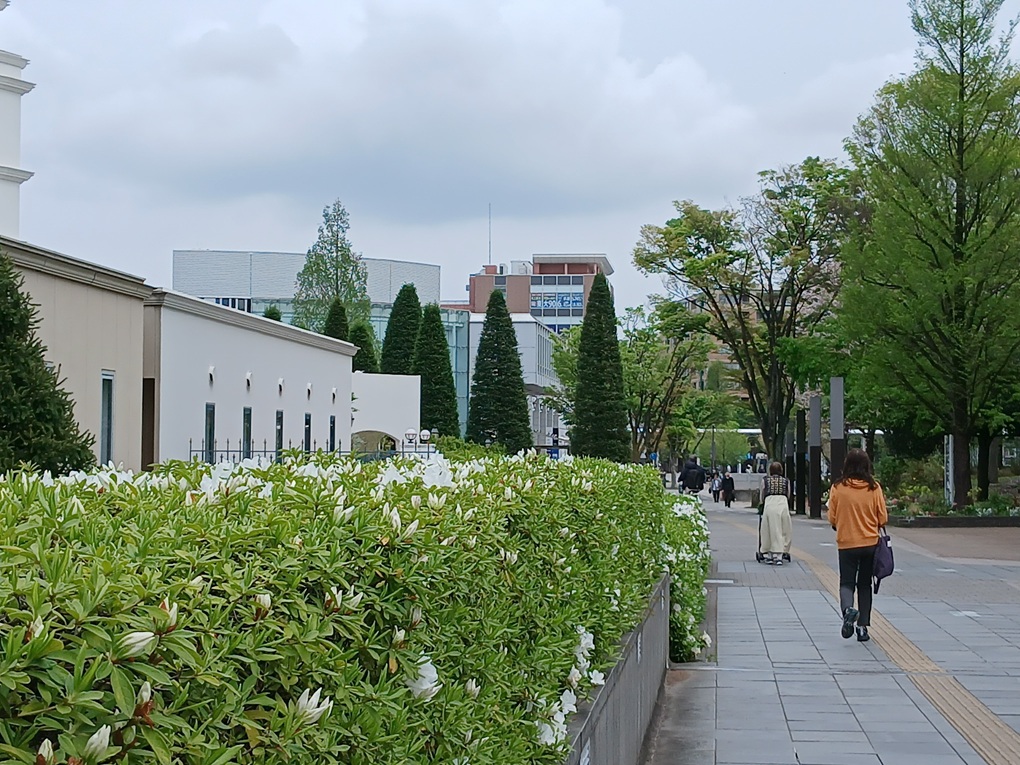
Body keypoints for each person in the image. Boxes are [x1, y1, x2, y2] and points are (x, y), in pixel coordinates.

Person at [827, 448, 888, 643]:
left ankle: (847, 612)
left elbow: (832, 517)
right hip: (870, 543)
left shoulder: (838, 488)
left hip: (846, 543)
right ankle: (862, 628)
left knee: (846, 583)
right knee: (864, 585)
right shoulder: (874, 488)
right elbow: (883, 517)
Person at [759, 461, 792, 565]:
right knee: (783, 529)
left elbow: (762, 493)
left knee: (768, 529)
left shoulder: (765, 480)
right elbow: (788, 493)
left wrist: (761, 503)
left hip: (770, 503)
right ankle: (780, 554)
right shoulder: (785, 481)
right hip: (782, 503)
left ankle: (769, 554)